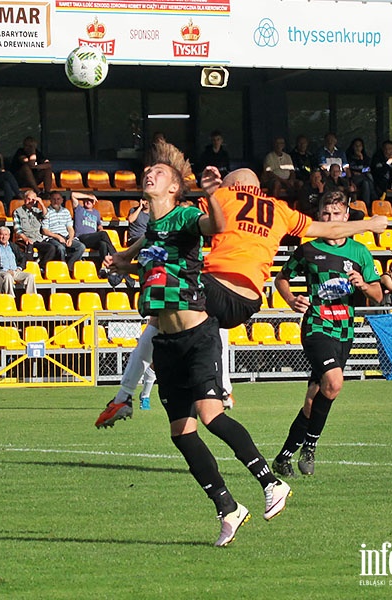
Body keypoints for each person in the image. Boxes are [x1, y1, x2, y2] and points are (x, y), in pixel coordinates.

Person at [97, 168, 389, 428]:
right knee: (205, 324)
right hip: (247, 301)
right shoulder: (279, 209)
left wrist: (126, 256)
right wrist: (371, 225)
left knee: (159, 313)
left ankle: (126, 396)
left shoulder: (225, 197)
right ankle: (221, 389)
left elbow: (169, 224)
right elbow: (331, 229)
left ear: (232, 185)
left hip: (214, 283)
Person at [119, 138, 290, 546]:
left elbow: (214, 226)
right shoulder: (155, 227)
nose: (150, 173)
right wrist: (118, 258)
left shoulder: (184, 216)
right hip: (167, 345)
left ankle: (271, 482)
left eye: (158, 173)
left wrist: (213, 196)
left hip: (198, 337)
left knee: (211, 416)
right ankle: (229, 509)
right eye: (149, 170)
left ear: (174, 188)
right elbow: (131, 256)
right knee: (181, 433)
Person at [271, 191, 383, 478]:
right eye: (326, 214)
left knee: (314, 399)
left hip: (345, 329)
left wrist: (363, 286)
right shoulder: (308, 250)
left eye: (336, 214)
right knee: (333, 383)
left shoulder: (360, 253)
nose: (331, 219)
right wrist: (291, 298)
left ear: (346, 216)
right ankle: (310, 446)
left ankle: (283, 457)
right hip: (317, 326)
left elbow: (378, 295)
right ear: (319, 217)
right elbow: (281, 277)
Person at [70, 191, 129, 287]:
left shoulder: (96, 213)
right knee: (103, 235)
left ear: (94, 203)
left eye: (90, 201)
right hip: (82, 237)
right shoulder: (79, 209)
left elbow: (99, 226)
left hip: (93, 238)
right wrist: (89, 195)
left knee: (103, 244)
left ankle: (104, 267)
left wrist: (100, 229)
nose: (88, 202)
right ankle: (116, 257)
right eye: (86, 200)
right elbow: (73, 195)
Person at [12, 189, 59, 267]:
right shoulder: (17, 211)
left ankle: (41, 267)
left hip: (37, 239)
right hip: (25, 239)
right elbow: (17, 229)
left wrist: (41, 203)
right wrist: (25, 239)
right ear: (24, 199)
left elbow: (46, 216)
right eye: (28, 199)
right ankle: (30, 268)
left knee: (51, 248)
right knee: (29, 250)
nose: (30, 201)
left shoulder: (37, 211)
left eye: (33, 200)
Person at [41, 191, 85, 269]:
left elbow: (70, 228)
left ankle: (69, 267)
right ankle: (61, 268)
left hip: (65, 236)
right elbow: (44, 230)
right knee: (60, 248)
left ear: (62, 200)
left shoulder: (66, 211)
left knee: (81, 246)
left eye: (58, 199)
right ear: (50, 200)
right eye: (54, 199)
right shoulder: (47, 212)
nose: (56, 201)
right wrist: (57, 237)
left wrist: (70, 239)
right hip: (52, 237)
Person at [0, 226, 38, 297]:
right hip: (2, 272)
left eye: (6, 235)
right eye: (1, 234)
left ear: (9, 236)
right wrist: (6, 270)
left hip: (16, 271)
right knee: (8, 276)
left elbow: (23, 257)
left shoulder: (13, 246)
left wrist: (19, 268)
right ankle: (10, 299)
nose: (3, 237)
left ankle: (31, 298)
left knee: (30, 276)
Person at [346, 138, 375, 203]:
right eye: (356, 146)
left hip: (363, 178)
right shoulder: (348, 157)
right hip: (352, 179)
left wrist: (361, 159)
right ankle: (374, 197)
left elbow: (367, 169)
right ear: (352, 146)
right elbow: (346, 170)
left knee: (366, 183)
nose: (358, 148)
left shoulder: (366, 158)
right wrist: (353, 172)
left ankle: (366, 205)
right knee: (367, 179)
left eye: (359, 146)